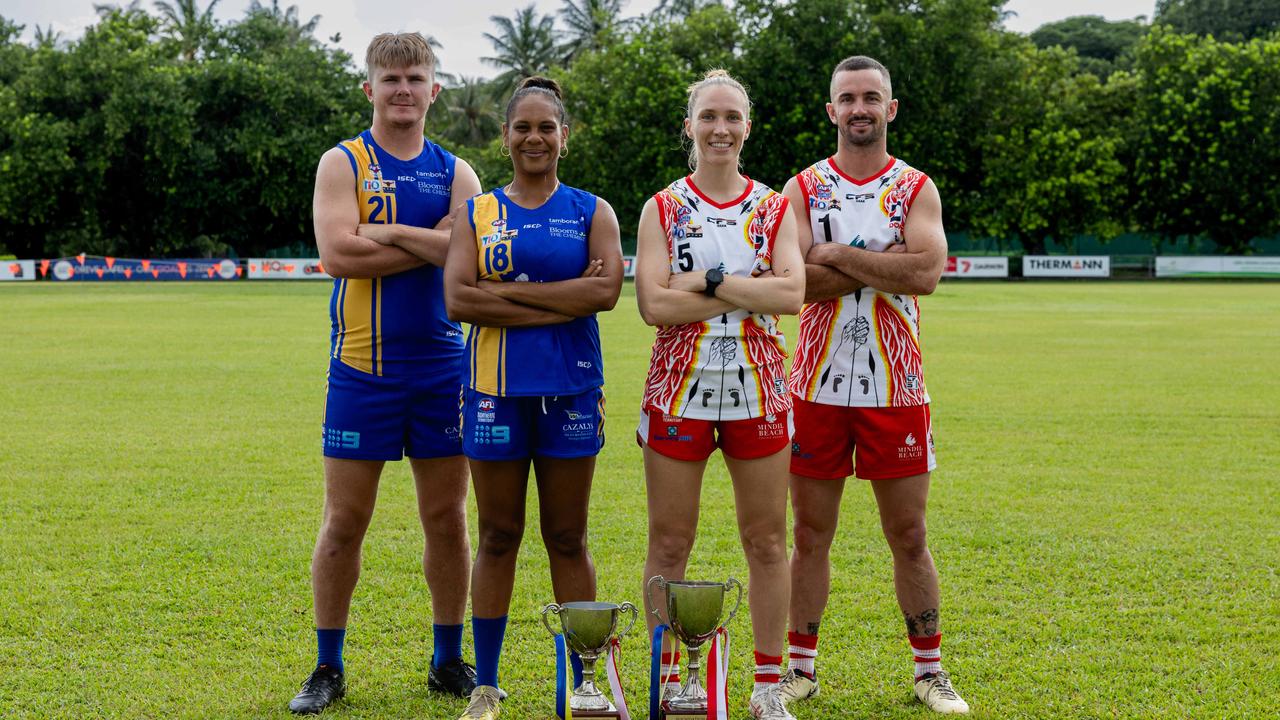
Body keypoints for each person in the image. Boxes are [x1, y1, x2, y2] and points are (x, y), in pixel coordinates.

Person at [289, 33, 483, 714]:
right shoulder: (342, 162)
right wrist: (432, 241)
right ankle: (327, 667)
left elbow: (471, 258)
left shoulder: (457, 173)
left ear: (436, 90)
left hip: (443, 371)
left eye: (416, 77)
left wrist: (387, 231)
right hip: (361, 371)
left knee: (447, 520)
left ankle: (447, 659)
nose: (404, 89)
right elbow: (338, 255)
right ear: (369, 89)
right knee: (344, 521)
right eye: (391, 78)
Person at [776, 56, 969, 714]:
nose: (860, 108)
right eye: (847, 98)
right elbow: (793, 285)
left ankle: (930, 671)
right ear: (831, 111)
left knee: (909, 535)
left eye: (872, 98)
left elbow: (925, 275)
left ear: (891, 108)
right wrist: (880, 264)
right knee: (808, 535)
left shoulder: (915, 187)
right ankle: (799, 669)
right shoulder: (802, 188)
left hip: (898, 390)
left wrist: (835, 255)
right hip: (815, 389)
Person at [442, 76, 624, 720]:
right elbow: (459, 299)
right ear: (505, 136)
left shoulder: (591, 210)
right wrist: (560, 296)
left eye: (547, 127)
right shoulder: (477, 213)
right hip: (493, 393)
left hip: (572, 390)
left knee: (567, 536)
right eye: (523, 126)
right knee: (496, 536)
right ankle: (486, 685)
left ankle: (585, 682)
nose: (535, 137)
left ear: (564, 137)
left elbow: (604, 294)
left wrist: (508, 298)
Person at [635, 69, 805, 720]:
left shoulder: (772, 207)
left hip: (760, 392)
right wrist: (746, 284)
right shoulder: (662, 207)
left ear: (748, 128)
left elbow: (790, 295)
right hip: (677, 391)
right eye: (708, 116)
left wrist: (704, 281)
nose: (720, 128)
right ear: (690, 126)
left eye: (732, 116)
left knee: (766, 541)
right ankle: (671, 680)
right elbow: (653, 304)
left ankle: (767, 689)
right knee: (669, 543)